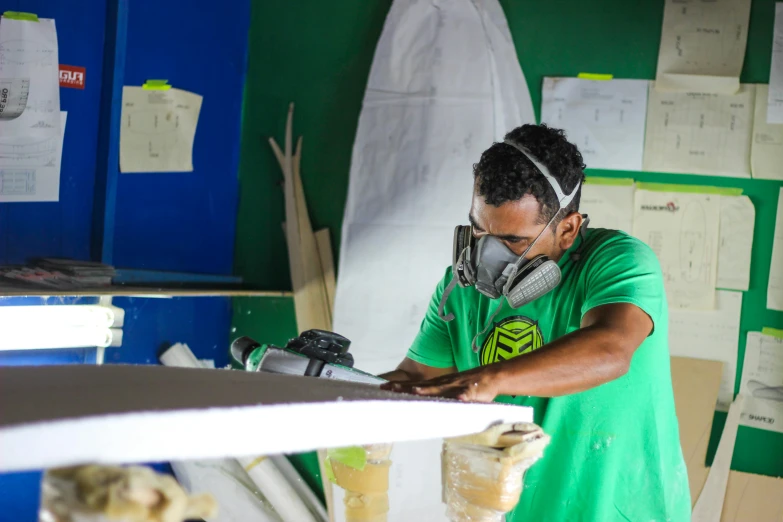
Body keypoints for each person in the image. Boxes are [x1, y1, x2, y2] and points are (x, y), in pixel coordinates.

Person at [380, 124, 691, 521]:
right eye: (478, 229)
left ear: (567, 229)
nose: (486, 253)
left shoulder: (618, 261)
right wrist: (327, 385)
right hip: (511, 509)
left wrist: (489, 379)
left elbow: (610, 349)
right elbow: (416, 381)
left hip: (617, 510)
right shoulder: (459, 289)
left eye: (512, 240)